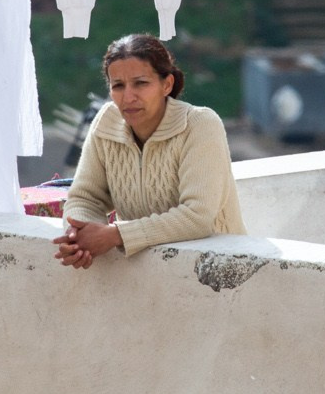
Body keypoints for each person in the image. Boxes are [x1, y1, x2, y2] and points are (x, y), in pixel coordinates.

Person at [56, 33, 246, 269]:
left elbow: (198, 217)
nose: (128, 97)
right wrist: (79, 236)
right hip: (145, 275)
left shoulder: (199, 125)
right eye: (118, 86)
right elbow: (85, 198)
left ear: (167, 85)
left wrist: (115, 235)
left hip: (219, 272)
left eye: (141, 83)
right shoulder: (106, 123)